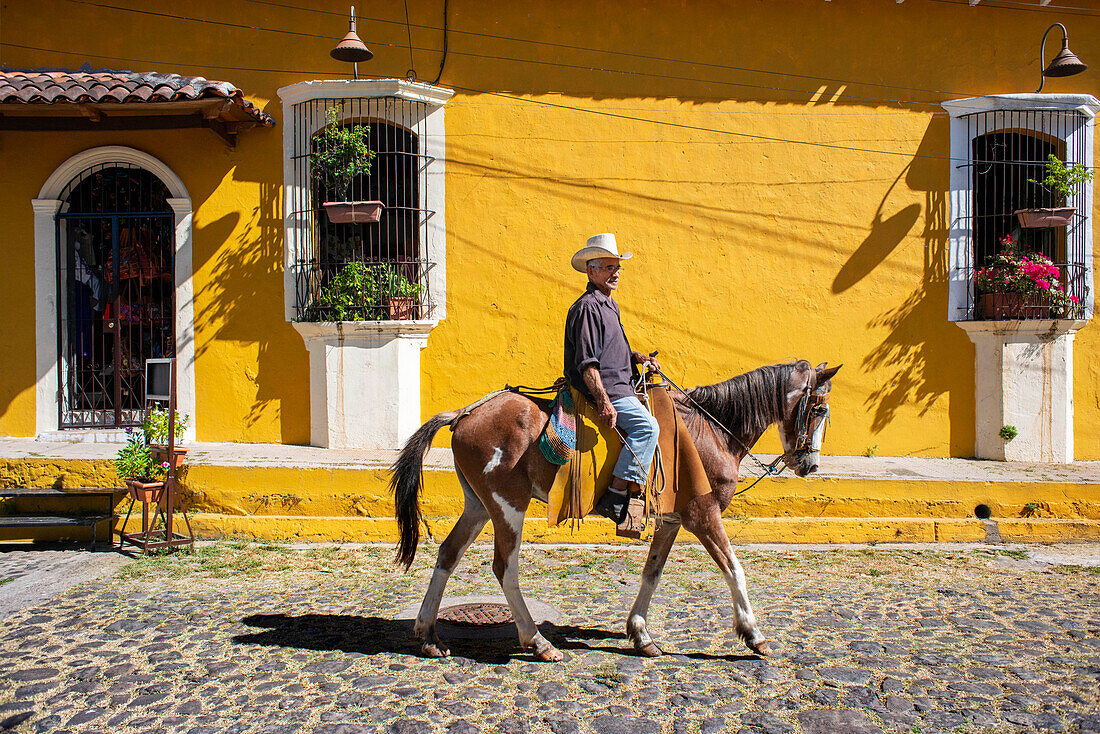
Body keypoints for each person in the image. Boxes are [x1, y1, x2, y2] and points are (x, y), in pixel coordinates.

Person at [563, 233, 661, 525]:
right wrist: (604, 402)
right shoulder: (588, 307)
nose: (615, 273)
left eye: (617, 267)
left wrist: (636, 357)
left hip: (622, 384)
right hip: (612, 390)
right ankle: (616, 493)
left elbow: (609, 348)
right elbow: (588, 362)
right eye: (608, 267)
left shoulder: (608, 303)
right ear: (591, 271)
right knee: (648, 428)